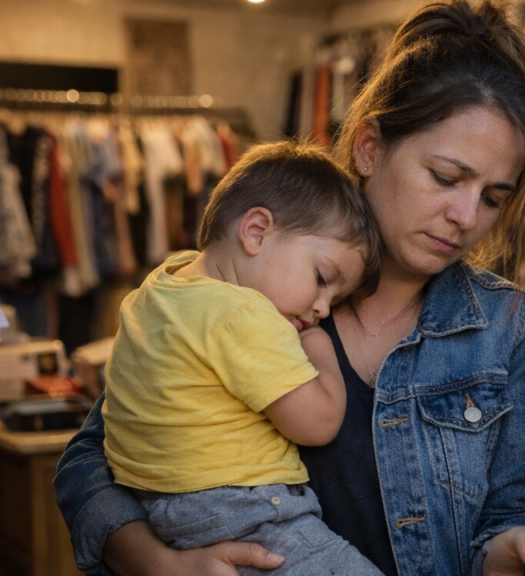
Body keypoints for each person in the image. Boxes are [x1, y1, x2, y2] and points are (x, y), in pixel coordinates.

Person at [54, 2, 525, 575]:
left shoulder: (510, 329)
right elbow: (91, 459)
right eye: (446, 177)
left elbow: (506, 525)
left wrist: (512, 555)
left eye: (493, 198)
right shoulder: (248, 286)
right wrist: (159, 564)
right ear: (369, 147)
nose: (467, 217)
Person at [100, 140, 385, 575]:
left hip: (157, 508)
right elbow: (318, 423)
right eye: (322, 278)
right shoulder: (242, 313)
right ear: (256, 232)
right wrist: (319, 348)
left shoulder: (157, 289)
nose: (323, 309)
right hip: (244, 510)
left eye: (335, 299)